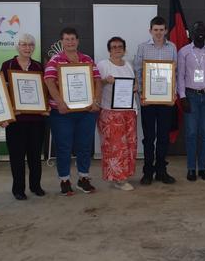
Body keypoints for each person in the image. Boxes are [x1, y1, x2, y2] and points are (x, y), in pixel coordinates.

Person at [44, 27, 102, 196]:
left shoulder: (87, 59)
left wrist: (96, 101)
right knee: (64, 147)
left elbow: (97, 80)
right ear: (61, 42)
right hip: (62, 113)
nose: (70, 42)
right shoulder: (55, 60)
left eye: (73, 39)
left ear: (78, 41)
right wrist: (61, 103)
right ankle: (64, 180)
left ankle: (83, 178)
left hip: (86, 111)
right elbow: (49, 82)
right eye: (66, 39)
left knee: (84, 146)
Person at [0, 33, 46, 200]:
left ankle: (36, 186)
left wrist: (45, 107)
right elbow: (3, 92)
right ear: (17, 46)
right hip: (16, 120)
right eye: (24, 44)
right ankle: (18, 189)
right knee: (17, 157)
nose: (27, 48)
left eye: (31, 45)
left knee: (35, 155)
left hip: (36, 119)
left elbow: (44, 92)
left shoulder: (39, 66)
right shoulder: (7, 65)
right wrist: (5, 115)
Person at [134, 16, 178, 185]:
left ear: (166, 30)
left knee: (163, 137)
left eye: (161, 30)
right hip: (148, 101)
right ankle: (147, 172)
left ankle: (161, 170)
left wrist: (173, 94)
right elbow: (138, 73)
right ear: (150, 31)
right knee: (149, 137)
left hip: (166, 102)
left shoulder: (172, 47)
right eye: (155, 30)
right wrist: (141, 96)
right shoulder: (142, 48)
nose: (159, 33)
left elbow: (174, 74)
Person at [177, 21, 205, 182]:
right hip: (191, 96)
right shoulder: (184, 52)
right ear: (192, 34)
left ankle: (202, 168)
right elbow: (180, 76)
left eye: (203, 30)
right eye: (197, 30)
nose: (200, 33)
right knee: (191, 133)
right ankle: (191, 169)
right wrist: (182, 97)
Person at [97, 36, 138, 191]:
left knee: (129, 146)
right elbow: (95, 84)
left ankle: (125, 175)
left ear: (124, 49)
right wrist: (105, 81)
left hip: (128, 111)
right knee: (115, 147)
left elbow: (134, 83)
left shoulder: (128, 65)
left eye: (120, 46)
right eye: (113, 47)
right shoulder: (103, 65)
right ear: (109, 50)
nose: (117, 49)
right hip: (110, 112)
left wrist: (135, 87)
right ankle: (118, 179)